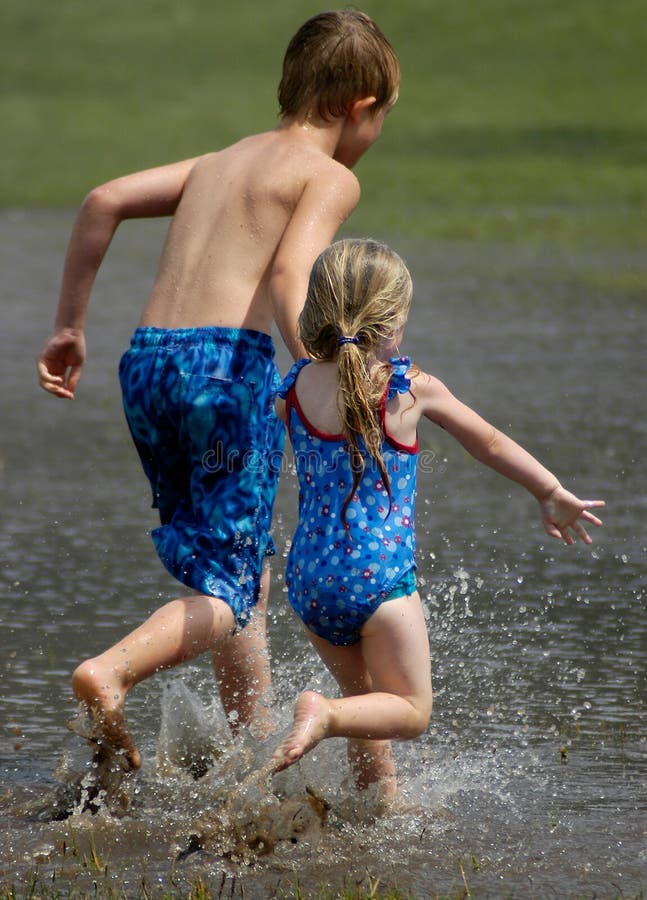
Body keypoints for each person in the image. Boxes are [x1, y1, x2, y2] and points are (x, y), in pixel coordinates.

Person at [36, 11, 400, 772]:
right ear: (362, 104)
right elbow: (286, 278)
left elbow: (102, 199)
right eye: (381, 119)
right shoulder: (330, 176)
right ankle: (111, 671)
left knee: (235, 574)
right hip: (223, 372)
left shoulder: (219, 160)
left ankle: (248, 747)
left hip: (146, 368)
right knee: (232, 587)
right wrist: (319, 371)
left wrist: (69, 327)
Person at [270, 238, 605, 802]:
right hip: (379, 581)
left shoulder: (295, 386)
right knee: (409, 709)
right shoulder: (408, 388)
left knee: (365, 703)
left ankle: (379, 806)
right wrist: (549, 491)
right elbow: (489, 441)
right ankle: (322, 716)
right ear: (392, 324)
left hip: (309, 579)